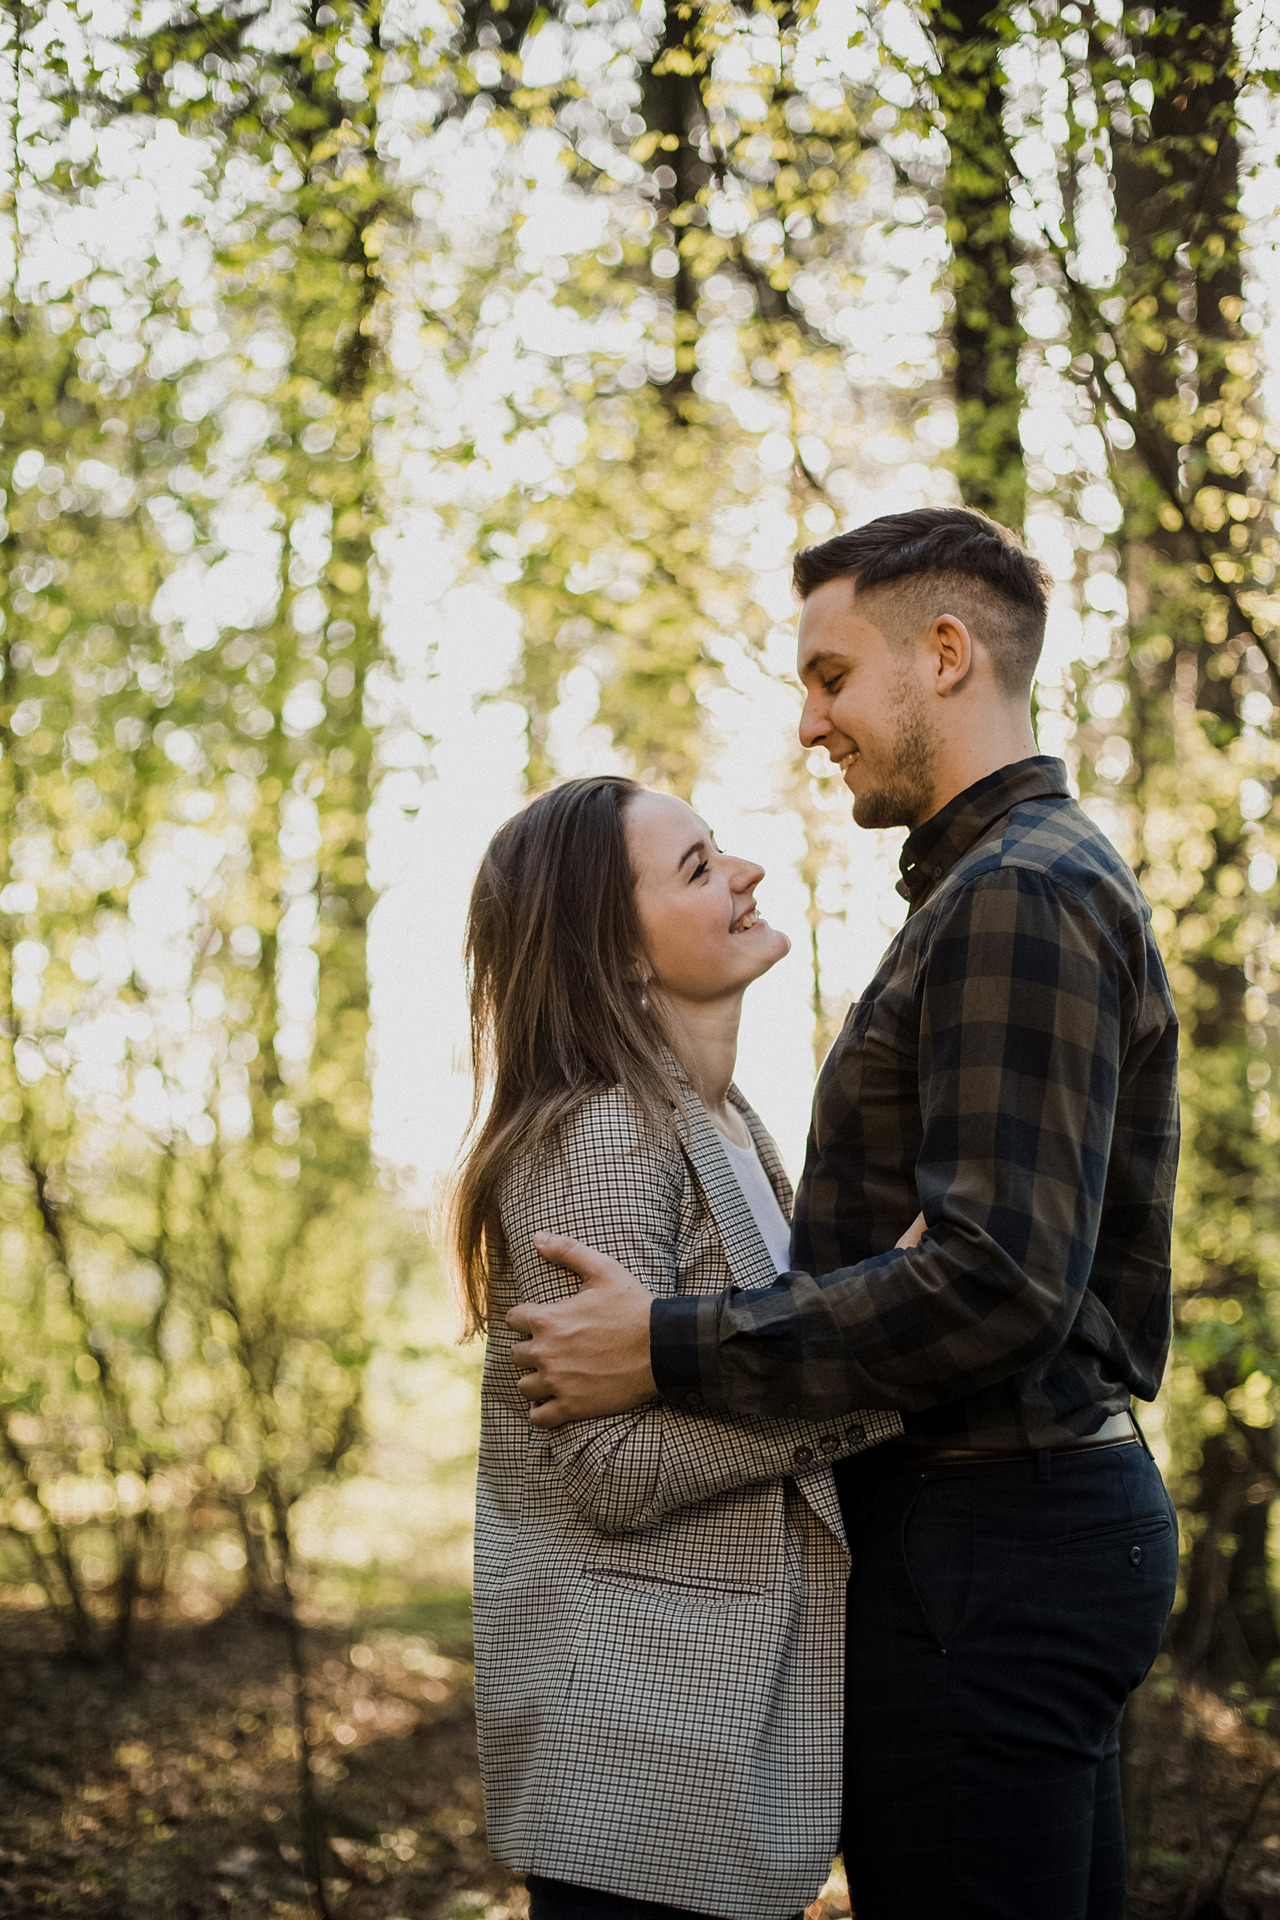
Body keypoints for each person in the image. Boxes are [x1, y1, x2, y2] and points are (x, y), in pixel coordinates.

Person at [507, 506, 1182, 1920]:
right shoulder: (998, 891)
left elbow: (994, 1285)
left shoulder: (1015, 898)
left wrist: (670, 1346)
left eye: (829, 676)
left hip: (991, 1541)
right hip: (992, 1540)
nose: (811, 726)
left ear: (944, 656)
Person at [453, 774, 901, 1920]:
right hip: (634, 1757)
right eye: (698, 868)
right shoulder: (597, 1134)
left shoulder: (728, 1122)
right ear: (618, 962)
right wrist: (880, 1384)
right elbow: (613, 1470)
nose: (745, 871)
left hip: (709, 1748)